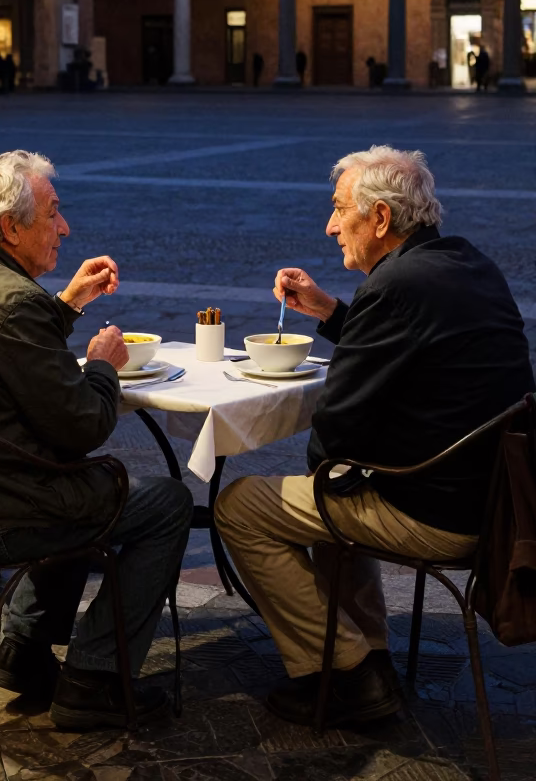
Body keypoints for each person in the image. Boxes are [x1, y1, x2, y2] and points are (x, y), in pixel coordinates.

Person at [216, 145, 534, 728]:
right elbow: (410, 345)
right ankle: (371, 656)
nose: (331, 225)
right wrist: (332, 313)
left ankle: (344, 674)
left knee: (245, 505)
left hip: (437, 513)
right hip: (490, 503)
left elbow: (335, 428)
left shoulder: (395, 287)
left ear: (381, 219)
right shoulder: (466, 263)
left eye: (340, 210)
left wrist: (326, 472)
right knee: (337, 486)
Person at [0, 150, 193, 730]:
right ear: (10, 227)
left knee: (75, 474)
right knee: (164, 503)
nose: (65, 227)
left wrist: (68, 304)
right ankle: (95, 678)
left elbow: (4, 352)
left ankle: (23, 651)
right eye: (53, 213)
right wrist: (102, 365)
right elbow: (82, 422)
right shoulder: (11, 300)